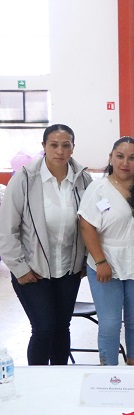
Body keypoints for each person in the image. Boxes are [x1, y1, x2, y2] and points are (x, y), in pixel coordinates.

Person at [0, 124, 92, 365]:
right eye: (54, 145)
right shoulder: (24, 179)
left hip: (68, 270)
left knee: (62, 327)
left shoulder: (83, 179)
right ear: (43, 147)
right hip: (32, 270)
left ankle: (59, 380)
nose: (60, 151)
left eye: (66, 145)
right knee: (44, 327)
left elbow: (90, 224)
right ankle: (36, 383)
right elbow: (7, 229)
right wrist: (19, 268)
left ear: (73, 147)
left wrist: (84, 260)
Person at [79, 137, 134, 366]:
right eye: (120, 156)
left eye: (132, 158)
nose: (125, 162)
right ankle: (109, 370)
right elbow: (86, 226)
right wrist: (100, 261)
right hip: (106, 263)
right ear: (111, 158)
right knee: (110, 323)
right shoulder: (98, 189)